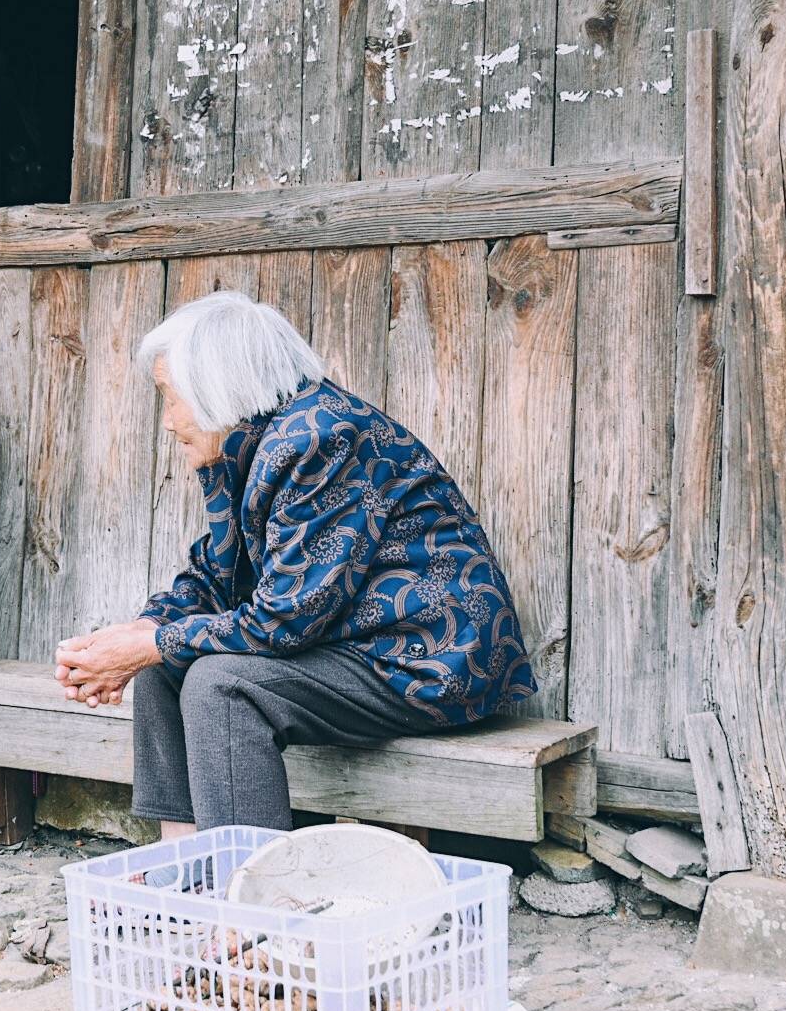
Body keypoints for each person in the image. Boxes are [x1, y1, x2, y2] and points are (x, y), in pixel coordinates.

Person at [55, 291, 536, 836]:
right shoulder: (254, 442)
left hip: (425, 660)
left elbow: (285, 619)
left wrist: (151, 642)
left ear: (218, 384)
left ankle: (251, 897)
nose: (168, 422)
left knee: (222, 682)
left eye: (170, 397)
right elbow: (216, 572)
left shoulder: (320, 438)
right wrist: (147, 629)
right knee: (166, 665)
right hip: (354, 647)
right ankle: (181, 867)